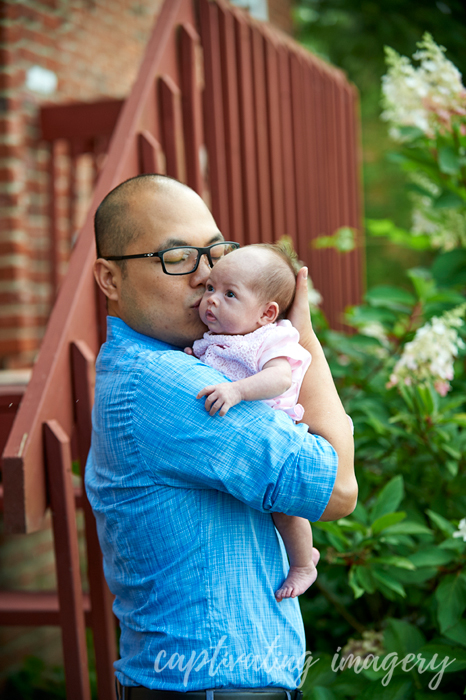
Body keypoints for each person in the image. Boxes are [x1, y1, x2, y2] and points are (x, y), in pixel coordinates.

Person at [86, 173, 356, 699]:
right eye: (177, 258)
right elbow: (337, 488)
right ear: (110, 280)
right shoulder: (171, 385)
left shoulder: (184, 365)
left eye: (214, 253)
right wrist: (300, 339)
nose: (205, 276)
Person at [188, 243, 319, 603]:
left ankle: (304, 563)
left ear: (266, 313)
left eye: (230, 294)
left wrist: (237, 391)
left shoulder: (269, 338)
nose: (212, 300)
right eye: (211, 288)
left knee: (284, 509)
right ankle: (301, 550)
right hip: (243, 439)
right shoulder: (215, 340)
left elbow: (279, 379)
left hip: (278, 430)